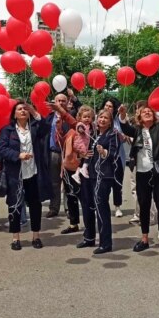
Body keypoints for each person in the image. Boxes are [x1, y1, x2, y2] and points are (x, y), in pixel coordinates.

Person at [119, 95, 159, 257]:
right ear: (139, 116)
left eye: (149, 111)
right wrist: (123, 115)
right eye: (144, 112)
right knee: (144, 206)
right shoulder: (137, 130)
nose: (147, 113)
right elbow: (125, 129)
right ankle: (144, 239)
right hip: (142, 173)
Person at [0, 98, 54, 251]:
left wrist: (35, 112)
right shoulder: (7, 130)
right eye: (19, 109)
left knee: (35, 205)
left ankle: (36, 236)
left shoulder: (34, 128)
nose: (23, 111)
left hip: (33, 173)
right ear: (14, 114)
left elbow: (47, 128)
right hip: (15, 174)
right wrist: (18, 155)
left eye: (25, 109)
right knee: (14, 205)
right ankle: (15, 238)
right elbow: (1, 149)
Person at [79, 108, 122, 254]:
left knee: (101, 208)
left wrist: (104, 152)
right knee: (88, 206)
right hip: (91, 175)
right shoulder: (96, 134)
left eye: (106, 118)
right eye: (100, 117)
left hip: (104, 176)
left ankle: (105, 243)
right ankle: (89, 238)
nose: (102, 120)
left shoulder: (113, 134)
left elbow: (114, 154)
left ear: (110, 122)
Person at [60, 106, 95, 235]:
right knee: (71, 196)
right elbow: (68, 152)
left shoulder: (94, 131)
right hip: (71, 168)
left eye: (89, 117)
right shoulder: (73, 132)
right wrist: (79, 156)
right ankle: (73, 223)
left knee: (85, 198)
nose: (86, 120)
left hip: (87, 169)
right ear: (79, 118)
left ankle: (89, 226)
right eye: (84, 117)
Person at [45, 92, 78, 218]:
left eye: (63, 101)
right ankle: (54, 208)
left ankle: (69, 209)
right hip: (53, 153)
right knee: (54, 182)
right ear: (54, 102)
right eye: (58, 101)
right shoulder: (49, 117)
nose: (60, 103)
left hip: (67, 154)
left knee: (68, 182)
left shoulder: (71, 117)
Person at [102, 97, 126, 218]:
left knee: (117, 183)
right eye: (106, 105)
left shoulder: (118, 121)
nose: (107, 108)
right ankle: (101, 206)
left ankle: (117, 206)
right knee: (103, 185)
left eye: (110, 106)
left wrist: (122, 136)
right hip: (102, 158)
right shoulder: (99, 119)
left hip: (118, 157)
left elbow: (125, 134)